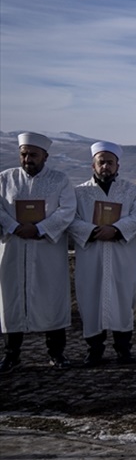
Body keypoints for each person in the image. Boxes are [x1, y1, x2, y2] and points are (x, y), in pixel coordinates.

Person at [0, 132, 76, 371]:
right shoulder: (5, 179)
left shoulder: (60, 180)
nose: (28, 159)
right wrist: (14, 227)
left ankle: (56, 352)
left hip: (47, 250)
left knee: (51, 298)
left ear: (45, 156)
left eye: (33, 155)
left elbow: (67, 210)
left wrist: (40, 228)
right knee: (12, 300)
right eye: (24, 154)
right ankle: (11, 354)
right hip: (14, 247)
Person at [68, 141, 136, 366]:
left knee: (124, 299)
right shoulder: (79, 192)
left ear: (117, 165)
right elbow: (71, 219)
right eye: (101, 162)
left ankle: (124, 349)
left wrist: (116, 230)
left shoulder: (131, 191)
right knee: (91, 299)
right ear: (93, 165)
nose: (105, 166)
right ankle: (94, 350)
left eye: (110, 163)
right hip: (91, 255)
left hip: (122, 255)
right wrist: (93, 231)